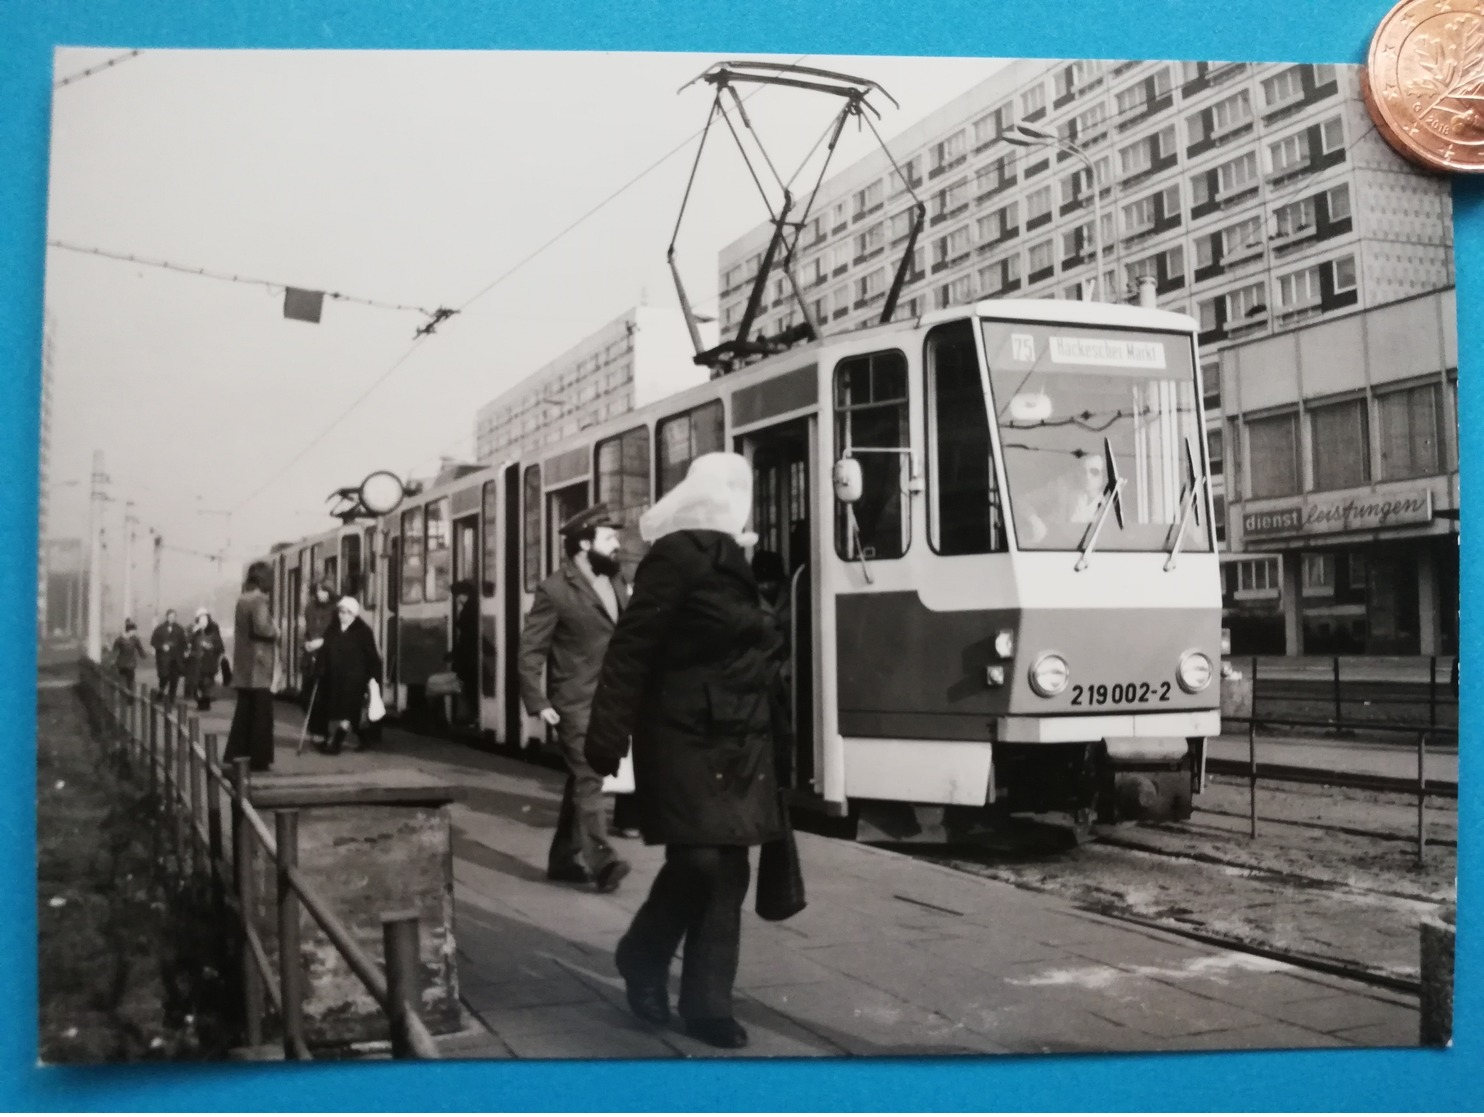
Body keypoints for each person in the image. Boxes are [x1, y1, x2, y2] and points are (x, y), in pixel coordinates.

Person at [586, 452, 788, 1050]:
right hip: (682, 732)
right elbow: (630, 649)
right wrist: (606, 735)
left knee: (728, 871)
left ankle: (707, 1005)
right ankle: (642, 955)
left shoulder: (741, 558)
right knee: (700, 861)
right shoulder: (674, 557)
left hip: (742, 737)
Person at [518, 503, 632, 892]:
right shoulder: (554, 589)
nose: (617, 543)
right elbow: (531, 650)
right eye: (609, 537)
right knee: (589, 775)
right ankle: (602, 861)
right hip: (575, 700)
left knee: (582, 777)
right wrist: (539, 701)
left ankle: (563, 859)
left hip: (612, 699)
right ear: (585, 543)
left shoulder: (615, 580)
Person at [307, 596, 383, 754]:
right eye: (341, 612)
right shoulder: (333, 629)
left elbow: (372, 656)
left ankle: (336, 743)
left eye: (347, 613)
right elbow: (325, 651)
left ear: (354, 614)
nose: (343, 615)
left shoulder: (363, 631)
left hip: (356, 678)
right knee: (347, 711)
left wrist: (374, 677)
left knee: (348, 709)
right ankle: (364, 738)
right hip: (336, 677)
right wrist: (319, 669)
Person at [224, 561, 280, 773]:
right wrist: (276, 631)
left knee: (244, 713)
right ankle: (259, 758)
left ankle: (236, 753)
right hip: (260, 665)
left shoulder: (242, 600)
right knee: (261, 715)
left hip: (244, 664)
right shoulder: (259, 601)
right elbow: (263, 628)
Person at [1022, 451, 1107, 545]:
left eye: (1094, 472)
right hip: (1055, 546)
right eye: (1083, 471)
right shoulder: (1061, 489)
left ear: (1104, 476)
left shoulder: (1112, 503)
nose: (1087, 476)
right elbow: (1022, 501)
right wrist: (1036, 523)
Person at [184, 607, 225, 712]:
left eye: (205, 619)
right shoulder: (193, 631)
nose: (203, 622)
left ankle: (205, 704)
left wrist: (210, 646)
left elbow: (220, 647)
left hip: (209, 663)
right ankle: (201, 701)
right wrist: (193, 632)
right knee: (196, 684)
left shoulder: (214, 632)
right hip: (195, 663)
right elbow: (186, 643)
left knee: (206, 683)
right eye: (201, 619)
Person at [451, 581, 480, 726]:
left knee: (471, 685)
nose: (457, 599)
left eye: (458, 596)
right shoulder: (475, 605)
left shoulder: (469, 609)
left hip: (469, 655)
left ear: (464, 594)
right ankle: (473, 714)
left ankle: (474, 715)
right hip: (471, 654)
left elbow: (467, 634)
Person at [302, 580, 336, 695]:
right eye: (318, 590)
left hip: (331, 656)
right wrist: (306, 643)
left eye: (324, 591)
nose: (320, 594)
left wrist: (323, 642)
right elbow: (307, 630)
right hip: (312, 655)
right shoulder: (309, 608)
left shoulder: (337, 609)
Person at [150, 609, 187, 702]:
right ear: (167, 617)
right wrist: (162, 646)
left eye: (174, 617)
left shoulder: (179, 629)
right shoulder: (159, 629)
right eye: (170, 617)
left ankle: (171, 698)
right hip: (163, 659)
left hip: (176, 658)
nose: (172, 619)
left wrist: (185, 651)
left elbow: (184, 643)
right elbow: (153, 642)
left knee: (175, 679)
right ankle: (161, 691)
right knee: (164, 677)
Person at [111, 620, 148, 690]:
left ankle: (127, 697)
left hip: (126, 664)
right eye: (134, 631)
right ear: (129, 630)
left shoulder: (132, 639)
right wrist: (113, 659)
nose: (135, 632)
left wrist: (144, 655)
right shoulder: (121, 640)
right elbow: (114, 651)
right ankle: (126, 698)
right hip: (125, 664)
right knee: (126, 683)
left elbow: (140, 649)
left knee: (127, 683)